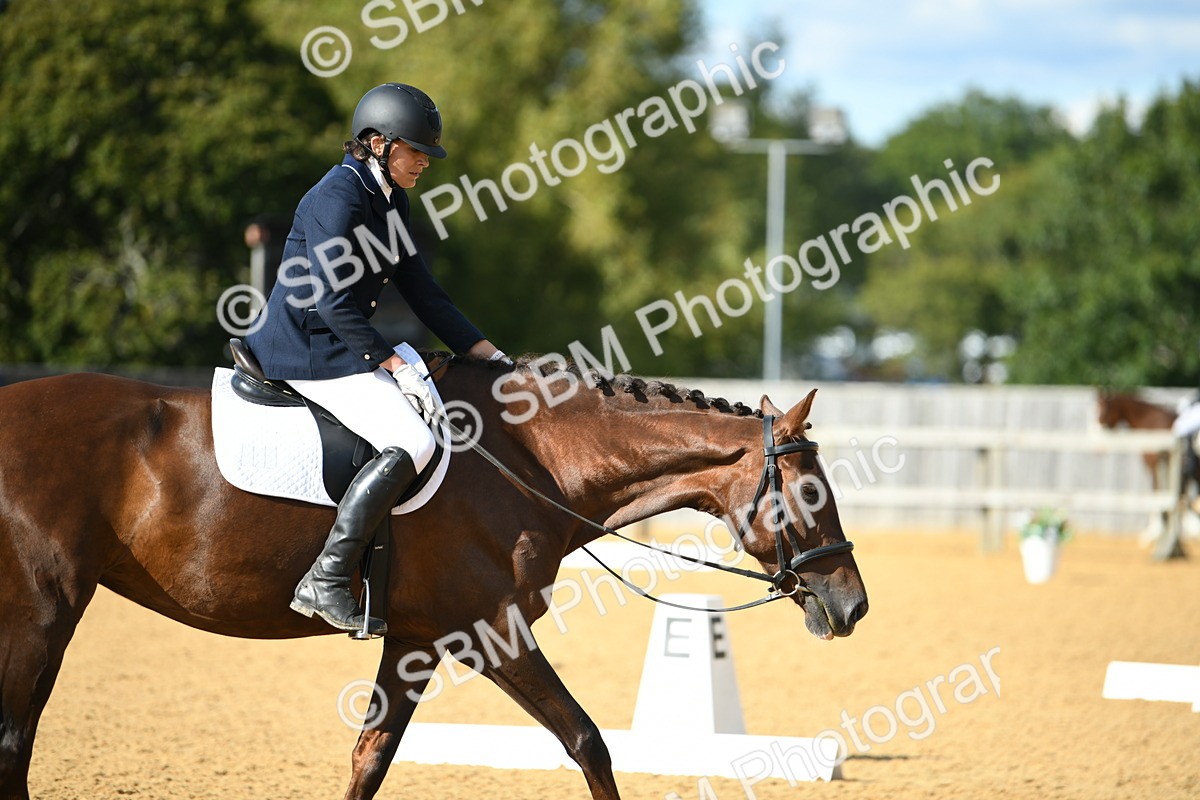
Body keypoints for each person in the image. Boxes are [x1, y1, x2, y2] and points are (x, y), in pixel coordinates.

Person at [245, 83, 505, 637]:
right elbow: (332, 299)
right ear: (378, 143)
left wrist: (490, 356)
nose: (423, 163)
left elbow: (424, 292)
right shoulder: (338, 196)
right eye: (416, 151)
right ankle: (328, 576)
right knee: (415, 441)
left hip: (340, 341)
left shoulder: (389, 198)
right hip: (307, 347)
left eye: (427, 154)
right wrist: (391, 364)